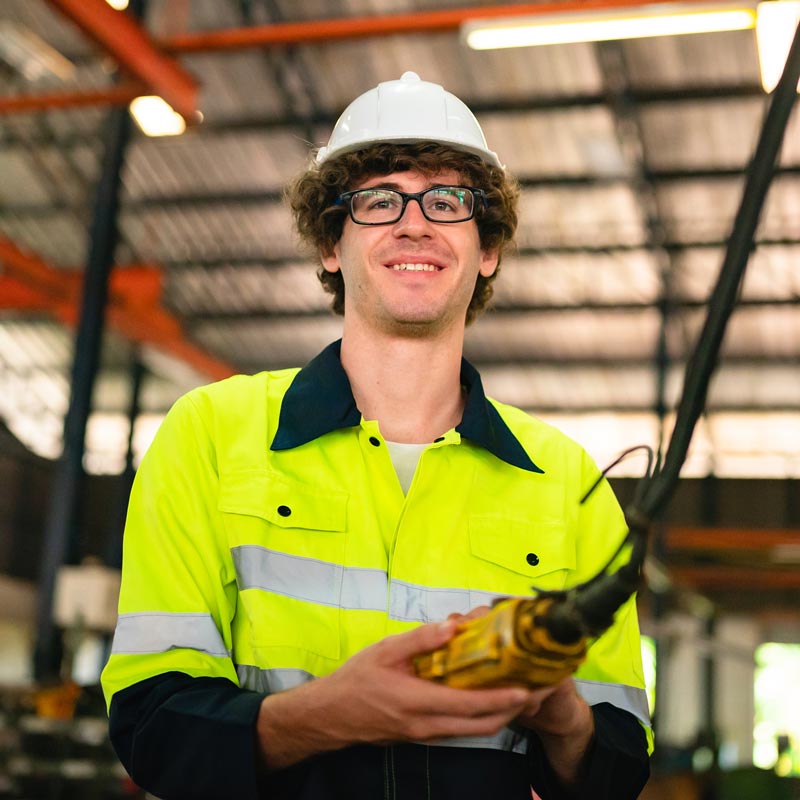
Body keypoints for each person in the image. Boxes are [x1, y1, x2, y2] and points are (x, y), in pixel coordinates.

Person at [101, 71, 652, 799]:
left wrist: (563, 717)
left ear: (487, 250)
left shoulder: (568, 482)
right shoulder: (209, 436)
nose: (414, 223)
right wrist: (326, 716)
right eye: (378, 199)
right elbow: (152, 726)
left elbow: (617, 767)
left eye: (447, 200)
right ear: (331, 243)